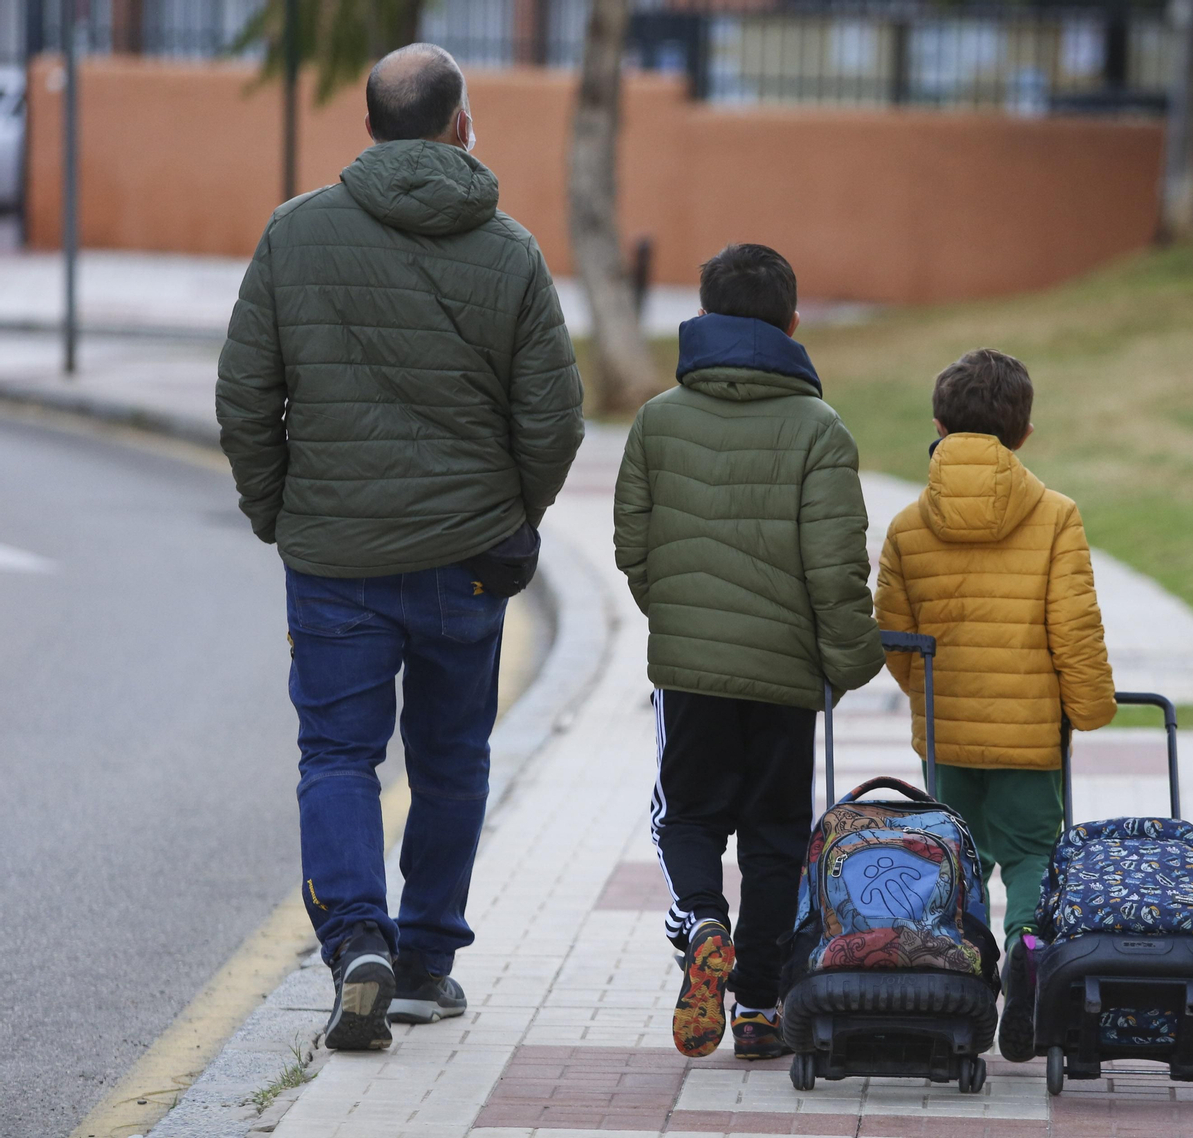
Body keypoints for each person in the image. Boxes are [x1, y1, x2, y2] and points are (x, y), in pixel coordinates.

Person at [216, 43, 583, 1051]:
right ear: (460, 123)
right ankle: (423, 963)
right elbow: (552, 420)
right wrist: (518, 517)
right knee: (452, 758)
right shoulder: (508, 250)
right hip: (467, 557)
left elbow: (245, 396)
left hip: (335, 560)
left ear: (370, 126)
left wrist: (279, 514)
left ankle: (355, 944)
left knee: (337, 752)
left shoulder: (295, 235)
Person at [614, 244, 883, 1060]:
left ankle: (701, 922)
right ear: (793, 324)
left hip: (689, 673)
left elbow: (633, 546)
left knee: (687, 817)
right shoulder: (820, 430)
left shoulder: (659, 419)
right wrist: (851, 662)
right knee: (774, 837)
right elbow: (837, 569)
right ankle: (760, 1006)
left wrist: (682, 619)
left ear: (701, 315)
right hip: (784, 678)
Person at [873, 347, 1116, 1063]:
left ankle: (958, 989)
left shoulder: (908, 525)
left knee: (958, 861)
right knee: (1034, 854)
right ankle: (1031, 954)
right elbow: (1074, 628)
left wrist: (928, 698)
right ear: (1025, 433)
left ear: (939, 424)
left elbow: (893, 633)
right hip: (1032, 734)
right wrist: (1090, 708)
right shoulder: (1056, 516)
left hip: (948, 736)